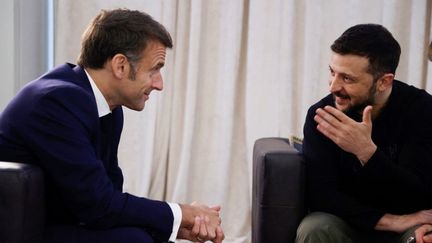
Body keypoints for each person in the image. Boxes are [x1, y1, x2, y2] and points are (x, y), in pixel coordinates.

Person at [0, 9, 224, 243]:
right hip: (22, 230)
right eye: (155, 69)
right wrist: (182, 213)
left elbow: (108, 197)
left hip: (62, 218)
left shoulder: (106, 107)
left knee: (143, 236)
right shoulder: (56, 101)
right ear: (120, 66)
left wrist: (175, 227)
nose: (159, 84)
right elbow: (98, 204)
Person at [296, 24, 432, 243]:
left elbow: (418, 194)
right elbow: (321, 196)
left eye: (347, 79)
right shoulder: (322, 115)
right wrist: (391, 220)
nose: (333, 86)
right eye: (332, 72)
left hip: (407, 226)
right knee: (315, 227)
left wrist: (367, 153)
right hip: (348, 223)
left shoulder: (422, 110)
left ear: (383, 82)